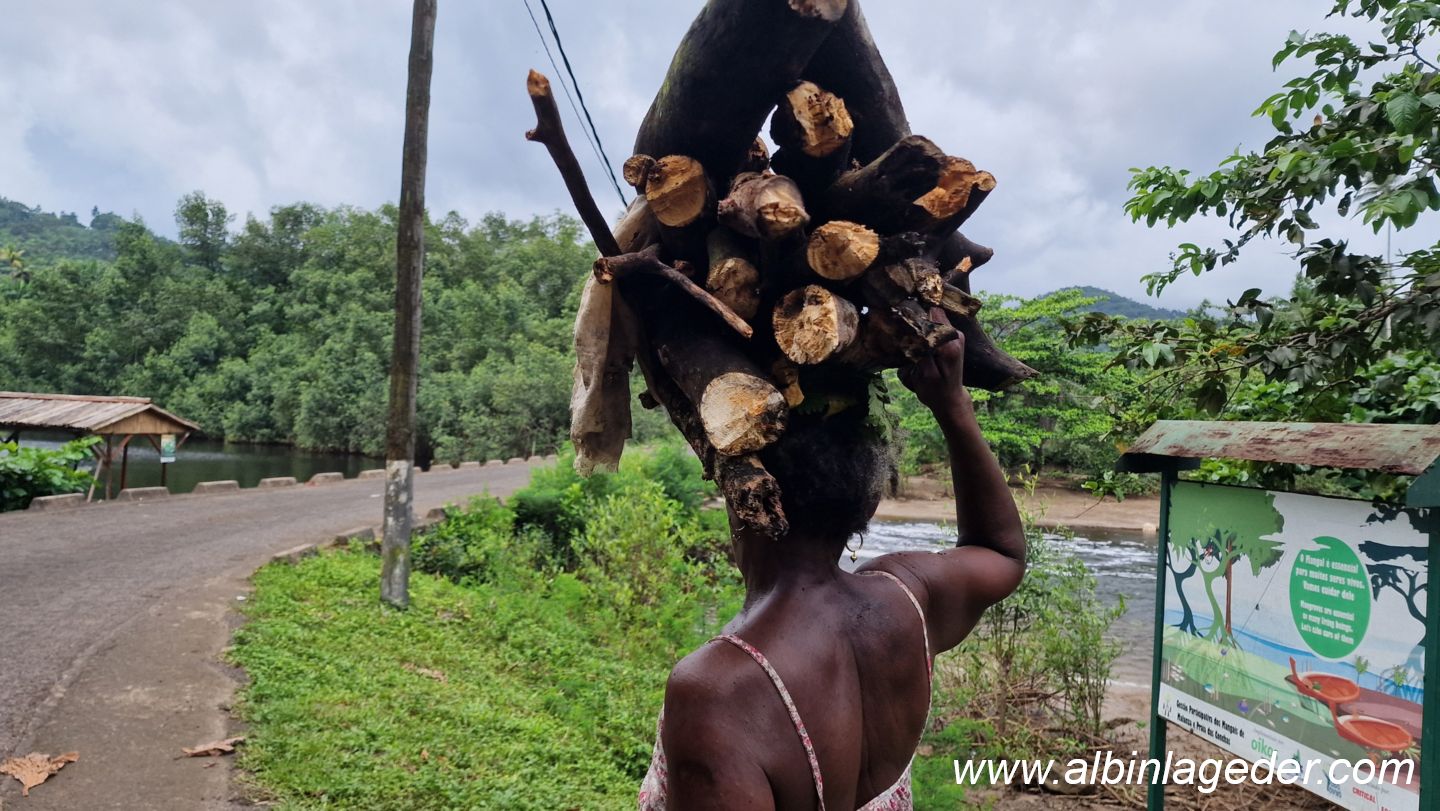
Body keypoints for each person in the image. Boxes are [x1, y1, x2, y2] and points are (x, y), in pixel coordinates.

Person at [638, 324, 1028, 810]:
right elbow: (1000, 551)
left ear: (746, 498)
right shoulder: (908, 597)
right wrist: (952, 406)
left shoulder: (716, 691)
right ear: (867, 503)